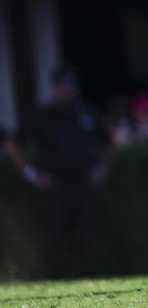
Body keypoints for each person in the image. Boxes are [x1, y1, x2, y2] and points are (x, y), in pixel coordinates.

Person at [1, 65, 115, 278]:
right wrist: (31, 174)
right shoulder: (42, 116)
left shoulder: (87, 114)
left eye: (70, 87)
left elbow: (111, 140)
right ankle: (53, 281)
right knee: (54, 239)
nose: (66, 92)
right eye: (62, 87)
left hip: (83, 186)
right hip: (54, 187)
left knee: (84, 238)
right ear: (54, 89)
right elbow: (11, 144)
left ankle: (86, 281)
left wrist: (103, 168)